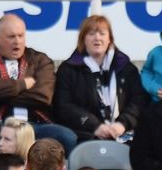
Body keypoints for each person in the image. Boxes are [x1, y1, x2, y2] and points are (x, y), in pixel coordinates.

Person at [0, 14, 77, 154]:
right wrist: (23, 84)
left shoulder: (40, 60)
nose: (17, 41)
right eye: (11, 37)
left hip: (34, 125)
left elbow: (43, 96)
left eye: (21, 36)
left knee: (67, 137)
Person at [54, 14, 148, 143]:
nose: (97, 38)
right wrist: (94, 126)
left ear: (110, 39)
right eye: (91, 34)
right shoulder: (68, 70)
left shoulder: (126, 68)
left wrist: (123, 123)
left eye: (102, 33)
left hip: (124, 134)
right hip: (84, 135)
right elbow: (63, 106)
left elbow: (139, 100)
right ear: (83, 39)